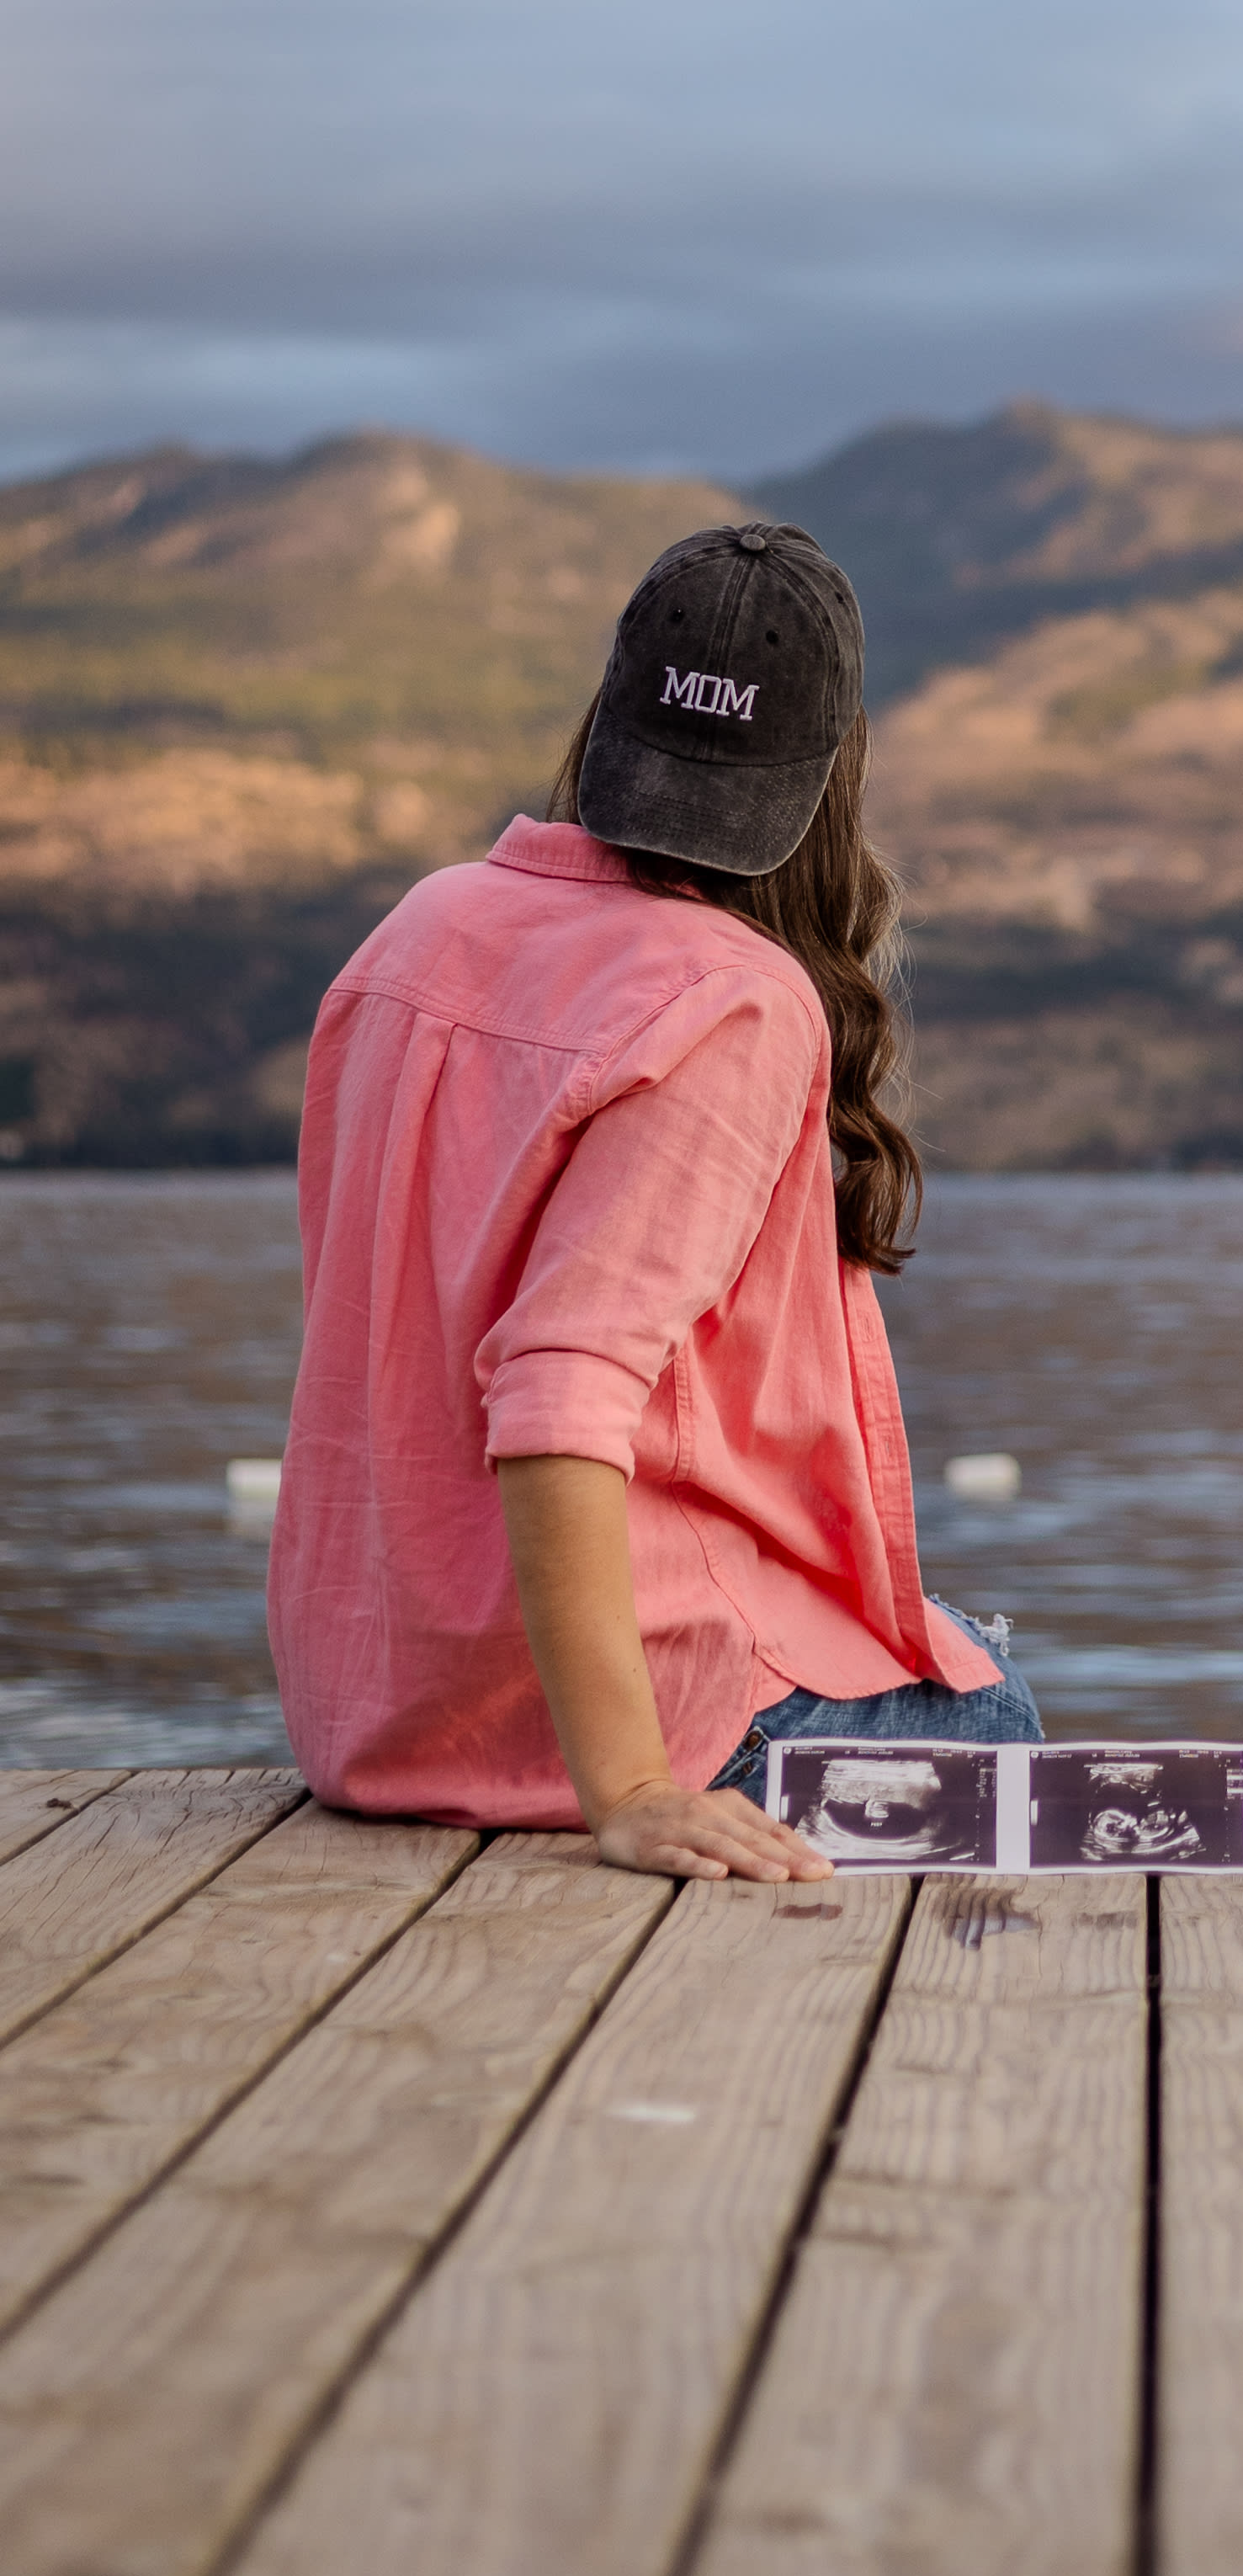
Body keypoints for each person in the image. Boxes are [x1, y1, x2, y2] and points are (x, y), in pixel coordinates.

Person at [269, 518, 1038, 1879]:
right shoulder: (734, 997)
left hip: (378, 1720)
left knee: (944, 1635)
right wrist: (625, 1786)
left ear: (610, 713)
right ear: (831, 771)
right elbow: (555, 1393)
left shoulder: (415, 932)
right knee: (993, 1699)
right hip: (630, 1732)